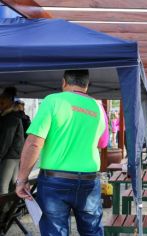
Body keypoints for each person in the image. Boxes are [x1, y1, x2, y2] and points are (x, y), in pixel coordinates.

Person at [15, 70, 109, 236]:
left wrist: (22, 179)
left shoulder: (53, 100)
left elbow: (34, 144)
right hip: (89, 179)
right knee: (93, 232)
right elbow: (103, 143)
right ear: (86, 85)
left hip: (55, 181)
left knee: (54, 232)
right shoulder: (98, 107)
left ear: (63, 82)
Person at [0, 87, 24, 194]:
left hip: (10, 155)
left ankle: (5, 210)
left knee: (3, 185)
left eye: (2, 103)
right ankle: (12, 208)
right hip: (15, 155)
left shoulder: (10, 117)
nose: (0, 105)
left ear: (10, 102)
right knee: (14, 183)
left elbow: (6, 139)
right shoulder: (14, 115)